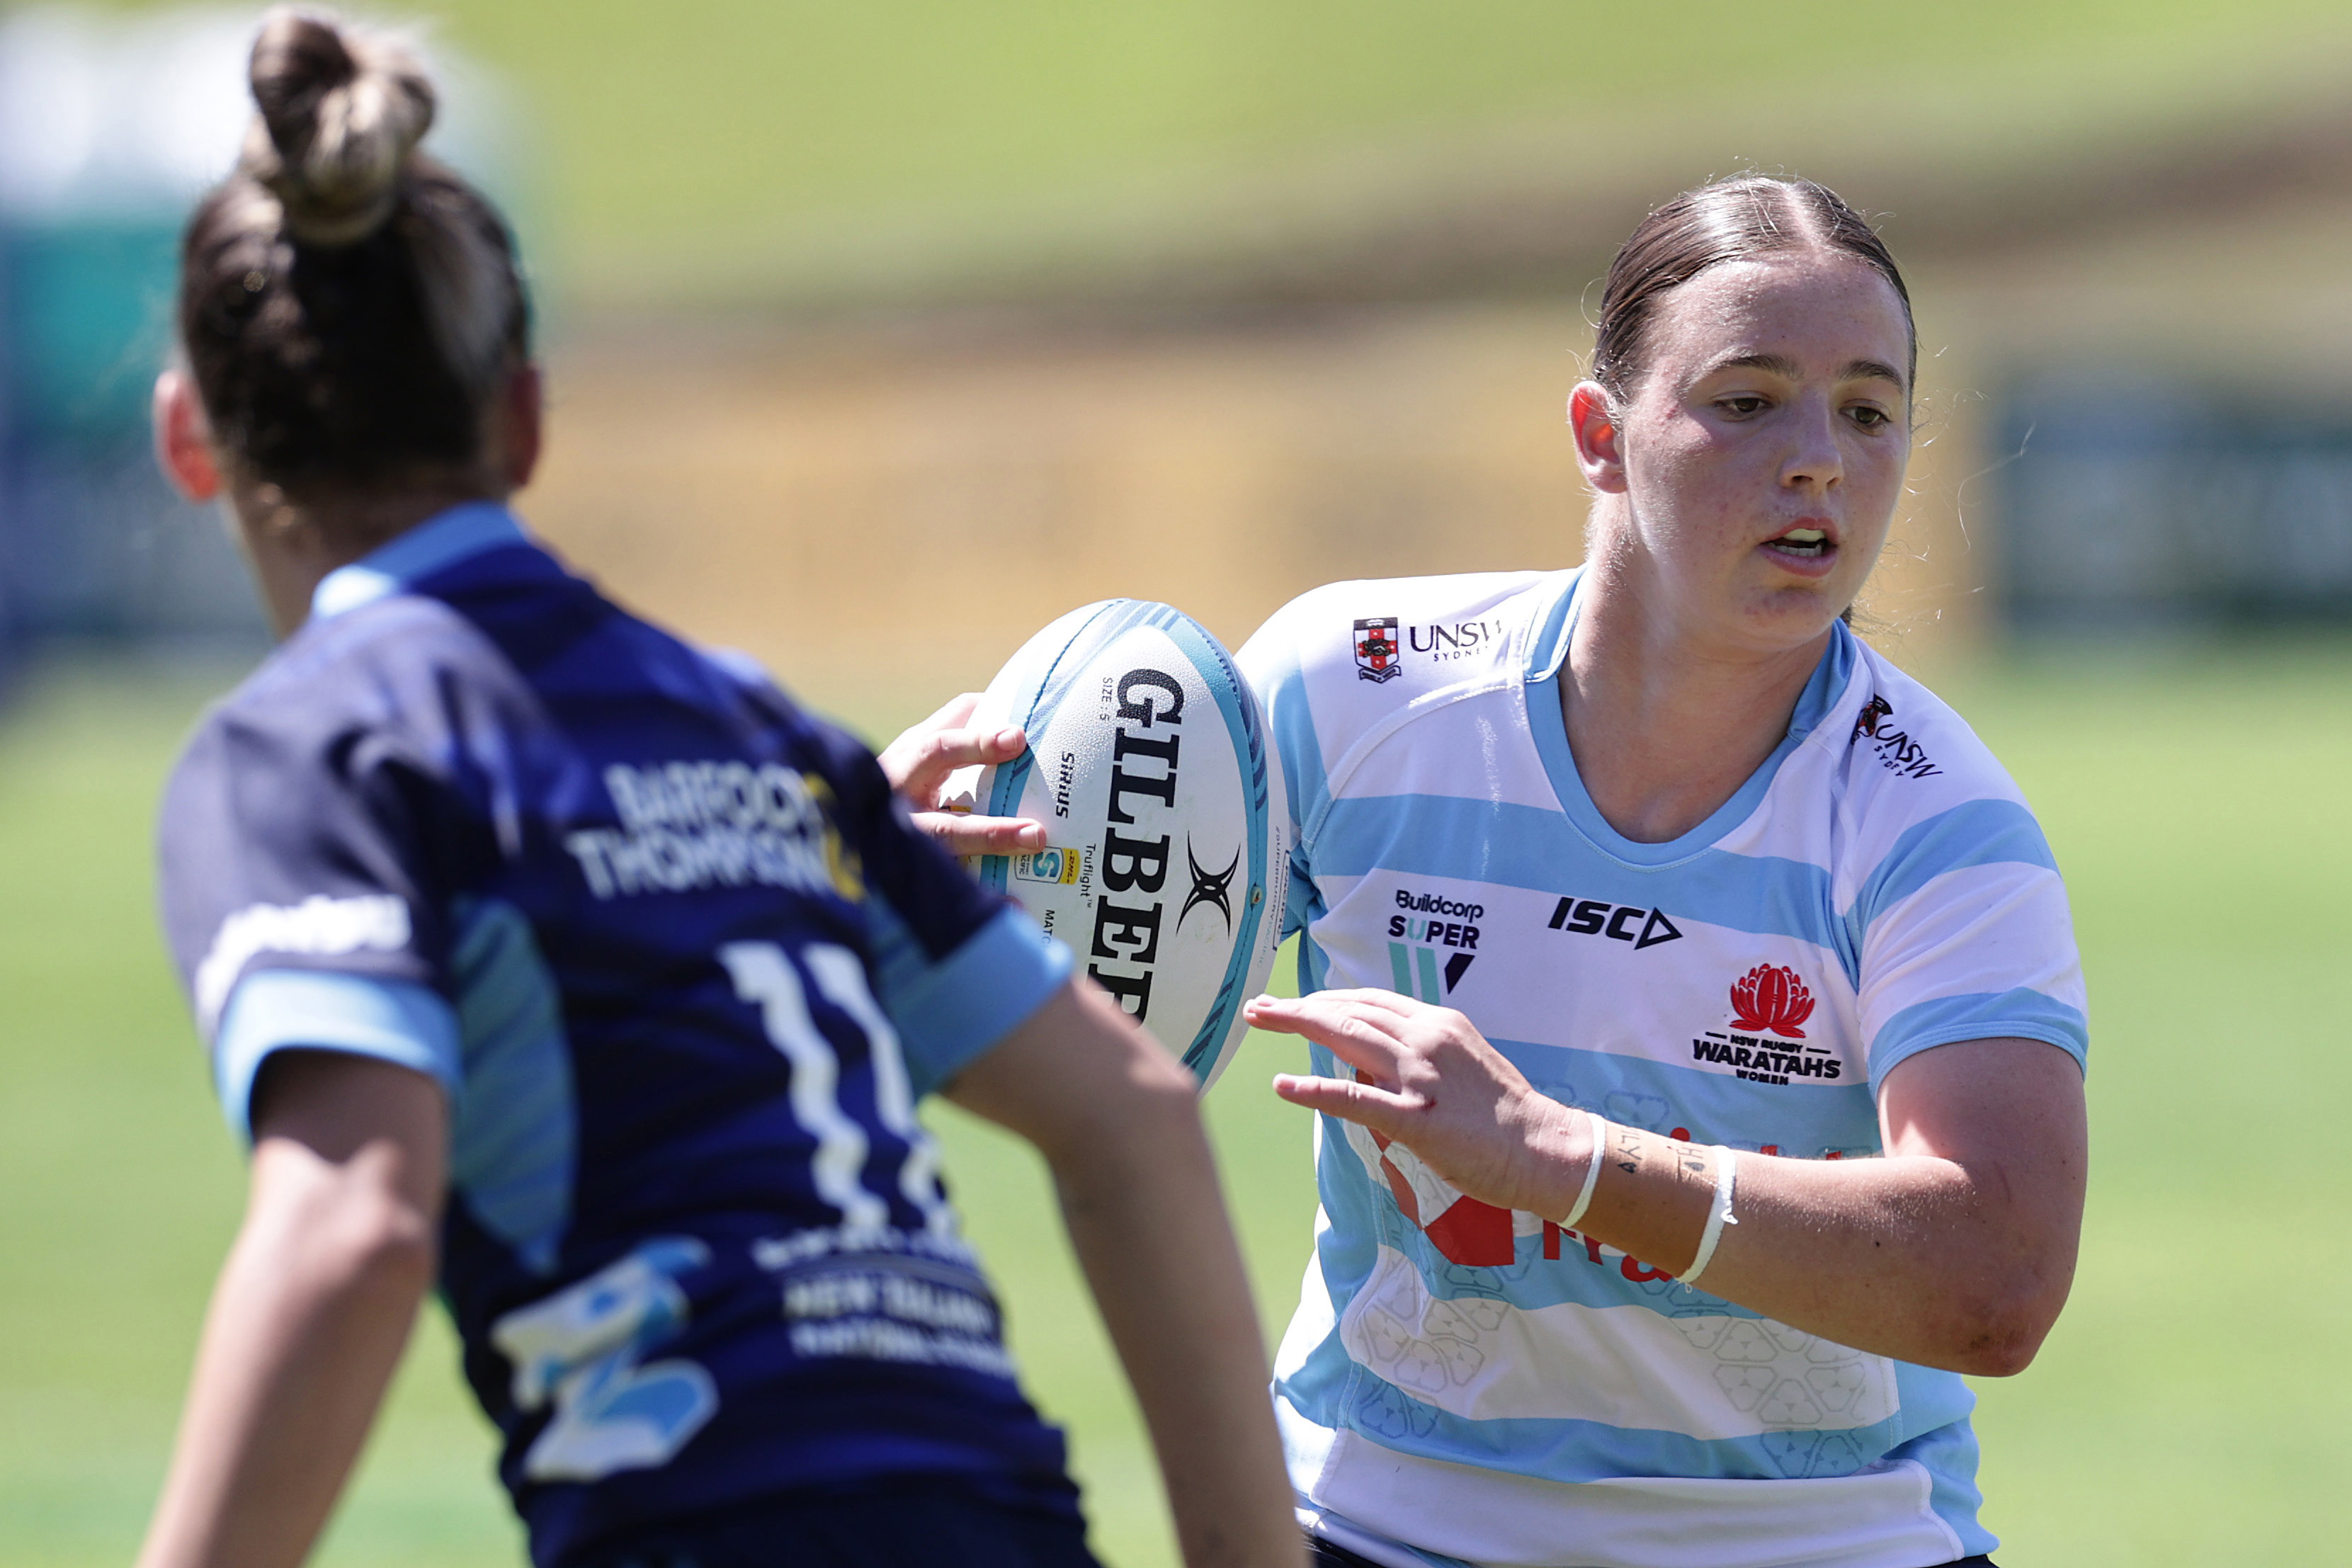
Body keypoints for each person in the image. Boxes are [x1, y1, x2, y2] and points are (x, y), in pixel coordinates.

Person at [133, 13, 1300, 1568]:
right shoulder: (755, 723)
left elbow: (352, 1228)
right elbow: (1137, 1119)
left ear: (189, 445)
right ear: (527, 419)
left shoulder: (313, 745)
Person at [902, 176, 2086, 1568]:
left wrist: (1554, 1159)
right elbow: (1099, 1024)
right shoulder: (1348, 691)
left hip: (1816, 1541)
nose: (1818, 458)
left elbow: (1992, 1278)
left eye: (1867, 411)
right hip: (1380, 1527)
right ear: (1599, 436)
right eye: (1748, 398)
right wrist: (901, 900)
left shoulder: (1931, 820)